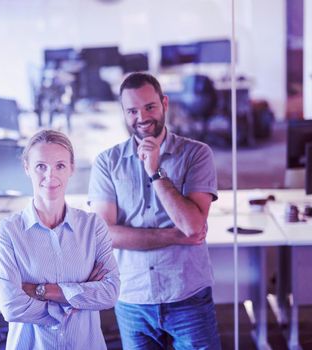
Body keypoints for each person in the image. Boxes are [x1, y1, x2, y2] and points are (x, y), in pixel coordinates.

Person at [88, 72, 221, 349]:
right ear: (123, 113)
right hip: (133, 298)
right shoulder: (107, 162)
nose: (142, 117)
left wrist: (155, 172)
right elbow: (105, 235)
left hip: (187, 294)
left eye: (149, 107)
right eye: (132, 110)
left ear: (164, 103)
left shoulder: (197, 154)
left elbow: (193, 225)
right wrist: (173, 236)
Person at [0, 129, 120, 349]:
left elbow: (109, 293)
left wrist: (41, 291)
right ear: (27, 168)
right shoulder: (7, 232)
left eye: (59, 165)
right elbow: (12, 306)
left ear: (71, 168)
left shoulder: (92, 227)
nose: (50, 176)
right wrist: (78, 298)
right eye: (41, 166)